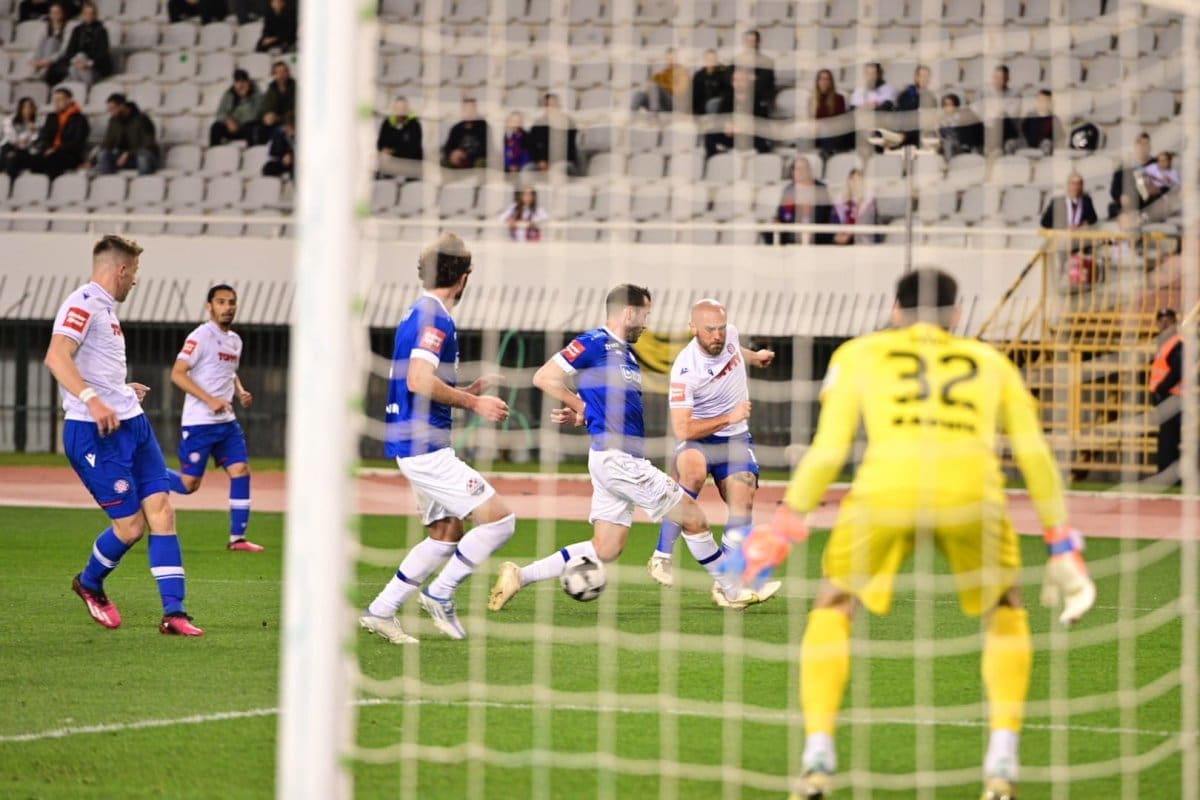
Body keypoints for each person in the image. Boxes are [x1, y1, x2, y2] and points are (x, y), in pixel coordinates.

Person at [727, 268, 1095, 800]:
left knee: (834, 604)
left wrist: (783, 526)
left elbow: (829, 450)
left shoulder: (858, 354)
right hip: (971, 493)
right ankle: (1002, 759)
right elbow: (1034, 453)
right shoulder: (992, 363)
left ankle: (818, 755)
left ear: (896, 311)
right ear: (957, 315)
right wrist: (1060, 541)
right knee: (1006, 606)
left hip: (887, 491)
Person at [487, 285, 779, 612]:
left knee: (607, 548)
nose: (646, 324)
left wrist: (585, 413)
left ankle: (520, 575)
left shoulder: (624, 353)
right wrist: (582, 406)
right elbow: (545, 377)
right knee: (692, 516)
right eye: (645, 315)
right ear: (629, 313)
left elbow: (605, 402)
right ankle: (732, 589)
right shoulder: (595, 341)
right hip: (618, 460)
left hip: (614, 459)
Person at [43, 234, 205, 637]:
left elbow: (95, 366)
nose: (135, 280)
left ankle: (174, 613)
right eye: (134, 271)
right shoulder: (82, 303)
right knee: (131, 527)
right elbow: (56, 356)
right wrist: (93, 400)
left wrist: (119, 391)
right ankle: (89, 583)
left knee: (163, 511)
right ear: (121, 269)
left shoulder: (106, 310)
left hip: (131, 423)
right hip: (94, 432)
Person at [359, 232, 516, 643]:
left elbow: (422, 380)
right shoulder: (435, 318)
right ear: (463, 278)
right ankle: (440, 593)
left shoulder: (418, 311)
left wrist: (468, 389)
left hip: (415, 443)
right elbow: (418, 380)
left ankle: (381, 611)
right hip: (423, 447)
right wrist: (474, 403)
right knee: (501, 522)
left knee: (447, 532)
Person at [646, 299, 777, 589]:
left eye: (721, 328)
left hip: (736, 438)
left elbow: (734, 349)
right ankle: (662, 555)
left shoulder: (729, 335)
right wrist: (729, 416)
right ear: (693, 328)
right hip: (698, 437)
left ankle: (726, 579)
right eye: (709, 330)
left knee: (744, 499)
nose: (717, 335)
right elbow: (682, 429)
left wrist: (755, 357)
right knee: (691, 474)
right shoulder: (685, 370)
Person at [164, 284, 263, 552]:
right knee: (189, 485)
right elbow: (178, 373)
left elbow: (228, 371)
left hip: (226, 423)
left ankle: (237, 539)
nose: (227, 307)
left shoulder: (235, 341)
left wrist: (240, 391)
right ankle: (146, 473)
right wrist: (209, 399)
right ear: (209, 306)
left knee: (241, 471)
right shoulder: (200, 336)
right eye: (221, 302)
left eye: (231, 302)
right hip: (200, 423)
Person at [704, 67, 773, 157]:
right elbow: (720, 118)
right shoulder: (728, 97)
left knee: (763, 139)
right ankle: (714, 160)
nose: (738, 83)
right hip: (733, 135)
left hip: (750, 135)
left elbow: (763, 122)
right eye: (735, 80)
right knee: (711, 132)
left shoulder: (757, 98)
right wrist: (726, 126)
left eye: (741, 80)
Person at [765, 157, 834, 246]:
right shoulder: (789, 190)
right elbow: (782, 214)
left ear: (809, 171)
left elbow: (824, 214)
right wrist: (777, 220)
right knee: (770, 231)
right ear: (792, 172)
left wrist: (808, 227)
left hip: (816, 229)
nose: (800, 172)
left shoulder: (820, 188)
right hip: (793, 230)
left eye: (804, 168)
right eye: (797, 169)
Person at [1148, 308, 1183, 483]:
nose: (1164, 324)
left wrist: (1160, 389)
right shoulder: (1165, 343)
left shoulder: (1176, 343)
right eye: (1161, 320)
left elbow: (1177, 371)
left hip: (1174, 397)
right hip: (1167, 397)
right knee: (1167, 439)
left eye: (1168, 320)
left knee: (1169, 440)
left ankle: (1168, 476)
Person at [46, 0, 111, 87]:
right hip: (77, 64)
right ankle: (80, 88)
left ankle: (85, 87)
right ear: (82, 15)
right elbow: (70, 51)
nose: (88, 16)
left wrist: (87, 63)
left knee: (81, 58)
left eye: (91, 13)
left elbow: (102, 54)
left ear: (95, 15)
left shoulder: (102, 31)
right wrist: (75, 61)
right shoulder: (77, 30)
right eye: (86, 14)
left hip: (94, 67)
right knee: (74, 65)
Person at [30, 86, 89, 180]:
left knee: (53, 160)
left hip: (69, 154)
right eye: (55, 100)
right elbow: (45, 136)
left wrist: (56, 149)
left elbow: (77, 142)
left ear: (69, 100)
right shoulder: (52, 117)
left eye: (60, 100)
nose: (56, 103)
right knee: (33, 159)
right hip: (50, 151)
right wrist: (47, 148)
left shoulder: (79, 119)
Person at [95, 93, 160, 176]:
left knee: (142, 156)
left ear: (122, 106)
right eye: (109, 109)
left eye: (112, 108)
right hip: (123, 158)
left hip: (143, 157)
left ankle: (143, 183)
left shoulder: (143, 119)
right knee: (103, 155)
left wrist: (128, 154)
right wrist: (91, 162)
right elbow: (107, 143)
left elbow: (148, 144)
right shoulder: (113, 121)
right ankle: (109, 181)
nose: (110, 112)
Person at [974, 65, 1021, 155]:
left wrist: (992, 110)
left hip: (1006, 128)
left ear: (1008, 79)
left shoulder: (1015, 94)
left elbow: (1010, 113)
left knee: (1000, 118)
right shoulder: (983, 91)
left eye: (1001, 78)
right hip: (987, 125)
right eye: (996, 78)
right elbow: (977, 110)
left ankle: (994, 148)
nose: (998, 81)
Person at [210, 68, 263, 147]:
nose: (240, 85)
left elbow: (255, 116)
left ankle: (252, 152)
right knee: (216, 127)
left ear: (248, 82)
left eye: (243, 82)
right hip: (233, 127)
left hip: (249, 128)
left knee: (251, 127)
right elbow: (220, 113)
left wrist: (244, 98)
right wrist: (228, 120)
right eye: (238, 82)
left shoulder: (257, 94)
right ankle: (215, 151)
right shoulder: (229, 94)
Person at [529, 93, 579, 174]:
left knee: (558, 169)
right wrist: (541, 160)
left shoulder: (568, 122)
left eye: (555, 104)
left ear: (559, 105)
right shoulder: (538, 124)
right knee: (528, 169)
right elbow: (532, 145)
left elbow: (570, 147)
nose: (553, 107)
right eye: (549, 105)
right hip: (543, 163)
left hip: (564, 161)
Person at [1108, 132, 1154, 219]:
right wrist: (1121, 197)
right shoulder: (1124, 167)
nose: (1142, 148)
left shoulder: (1156, 165)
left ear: (1150, 147)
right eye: (1140, 144)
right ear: (1135, 146)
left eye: (1145, 144)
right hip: (1126, 210)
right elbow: (1114, 190)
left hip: (1147, 209)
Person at [376, 96, 423, 180]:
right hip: (389, 163)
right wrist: (384, 151)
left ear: (407, 109)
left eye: (403, 108)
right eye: (398, 108)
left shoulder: (414, 124)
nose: (400, 111)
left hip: (410, 165)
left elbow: (413, 148)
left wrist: (392, 151)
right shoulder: (387, 123)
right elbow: (380, 143)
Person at [631, 48, 690, 114]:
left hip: (673, 102)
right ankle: (632, 116)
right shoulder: (663, 73)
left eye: (672, 58)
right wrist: (646, 87)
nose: (669, 61)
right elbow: (650, 84)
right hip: (660, 103)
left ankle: (654, 115)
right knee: (639, 94)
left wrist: (662, 85)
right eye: (668, 58)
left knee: (654, 86)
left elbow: (680, 90)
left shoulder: (682, 72)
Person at [832, 168, 879, 245]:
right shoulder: (840, 200)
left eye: (858, 180)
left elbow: (868, 222)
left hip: (864, 238)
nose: (855, 183)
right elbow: (835, 221)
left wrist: (859, 203)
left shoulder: (870, 201)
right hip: (843, 239)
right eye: (853, 179)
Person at [810, 68, 851, 155]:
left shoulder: (839, 98)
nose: (824, 81)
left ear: (831, 82)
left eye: (827, 79)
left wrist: (821, 124)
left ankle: (827, 155)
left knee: (826, 130)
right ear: (817, 82)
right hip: (815, 132)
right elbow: (810, 118)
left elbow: (840, 120)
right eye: (821, 79)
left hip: (832, 132)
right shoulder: (812, 100)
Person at [441, 97, 490, 169]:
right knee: (443, 162)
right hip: (458, 161)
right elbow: (447, 147)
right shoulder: (456, 128)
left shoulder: (484, 126)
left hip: (475, 160)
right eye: (466, 109)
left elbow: (487, 149)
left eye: (471, 109)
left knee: (481, 162)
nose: (469, 112)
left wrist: (465, 155)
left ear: (475, 109)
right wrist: (452, 154)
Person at [895, 65, 937, 146]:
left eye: (927, 77)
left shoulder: (931, 98)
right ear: (916, 77)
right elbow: (898, 117)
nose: (924, 79)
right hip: (904, 137)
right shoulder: (904, 95)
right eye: (922, 76)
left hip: (922, 138)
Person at [1, 97, 41, 179]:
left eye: (30, 107)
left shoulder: (37, 124)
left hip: (26, 153)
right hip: (11, 148)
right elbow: (8, 138)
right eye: (25, 107)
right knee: (7, 151)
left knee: (13, 158)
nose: (28, 110)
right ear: (20, 109)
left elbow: (34, 144)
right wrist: (17, 142)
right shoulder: (10, 120)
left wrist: (33, 133)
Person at [29, 1, 69, 82]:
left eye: (57, 12)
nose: (55, 15)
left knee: (52, 40)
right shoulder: (45, 27)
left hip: (59, 59)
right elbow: (39, 45)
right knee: (43, 42)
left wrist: (48, 61)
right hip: (44, 58)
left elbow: (63, 50)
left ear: (62, 14)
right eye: (52, 13)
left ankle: (43, 70)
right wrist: (36, 59)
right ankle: (36, 70)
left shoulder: (68, 27)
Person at [258, 61, 296, 145]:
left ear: (288, 73)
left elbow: (297, 111)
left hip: (291, 122)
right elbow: (264, 107)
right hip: (275, 123)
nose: (281, 75)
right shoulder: (271, 89)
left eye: (283, 72)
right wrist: (267, 115)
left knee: (280, 133)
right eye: (278, 72)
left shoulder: (295, 88)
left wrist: (278, 118)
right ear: (274, 75)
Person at [936, 93, 984, 157]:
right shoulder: (942, 118)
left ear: (956, 104)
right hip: (948, 147)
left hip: (963, 147)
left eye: (950, 104)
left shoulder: (963, 117)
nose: (947, 107)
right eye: (945, 105)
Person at [1020, 89, 1064, 155]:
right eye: (1039, 100)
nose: (1041, 103)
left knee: (1046, 143)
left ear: (1049, 102)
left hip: (1046, 150)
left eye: (1044, 100)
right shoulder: (1030, 116)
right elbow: (1022, 132)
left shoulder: (1054, 119)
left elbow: (1060, 138)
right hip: (1028, 146)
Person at [691, 49, 731, 116]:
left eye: (713, 59)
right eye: (709, 59)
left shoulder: (722, 74)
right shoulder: (698, 76)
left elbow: (725, 93)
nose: (711, 62)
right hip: (701, 111)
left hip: (718, 109)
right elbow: (695, 96)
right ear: (705, 60)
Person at [261, 113, 295, 178]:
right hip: (283, 160)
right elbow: (273, 152)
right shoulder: (279, 132)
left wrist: (292, 156)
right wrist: (283, 156)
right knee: (269, 168)